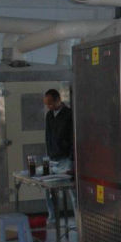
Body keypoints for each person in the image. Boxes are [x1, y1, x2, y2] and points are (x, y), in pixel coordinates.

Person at [43, 89, 76, 224]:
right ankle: (52, 218)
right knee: (49, 190)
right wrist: (48, 155)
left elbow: (73, 138)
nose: (49, 106)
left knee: (72, 192)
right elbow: (48, 136)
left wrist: (72, 160)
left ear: (58, 100)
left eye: (50, 103)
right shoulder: (49, 116)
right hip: (53, 158)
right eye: (46, 104)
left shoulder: (69, 114)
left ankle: (78, 221)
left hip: (65, 159)